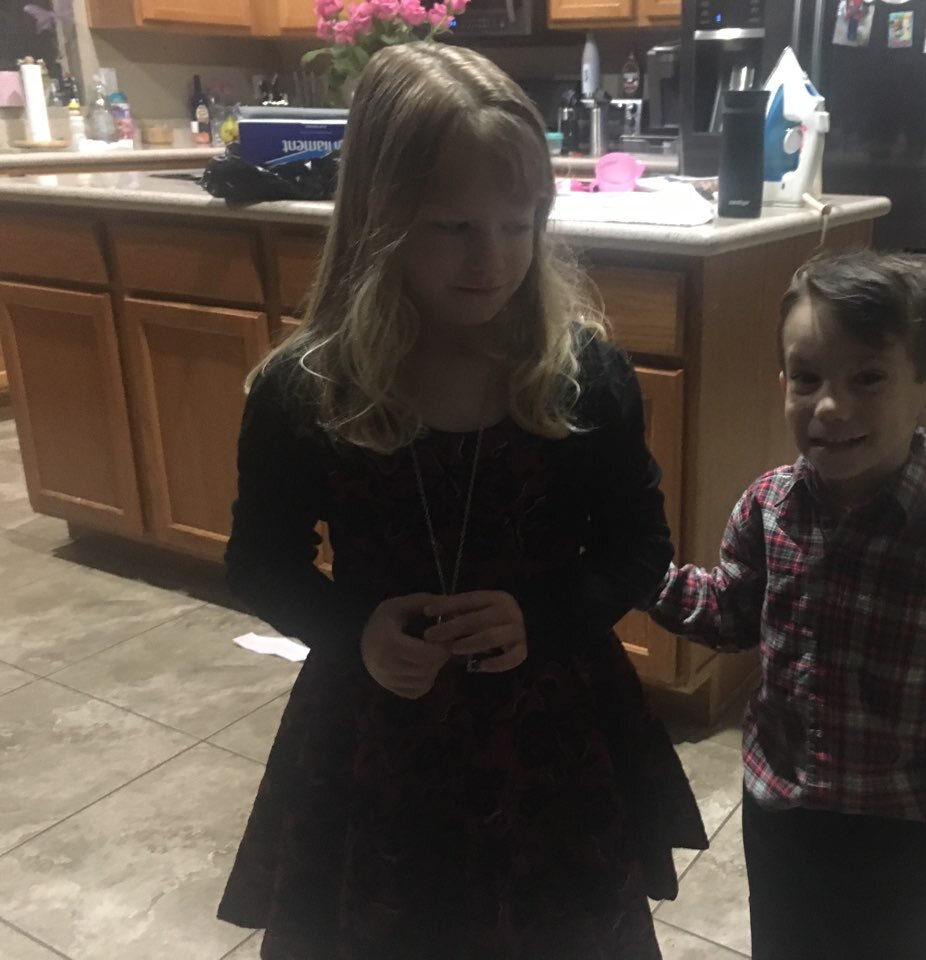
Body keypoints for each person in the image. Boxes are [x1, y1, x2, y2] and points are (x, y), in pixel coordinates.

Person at [216, 42, 707, 960]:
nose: (494, 258)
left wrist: (543, 616)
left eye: (520, 225)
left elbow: (639, 547)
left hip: (551, 737)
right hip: (374, 738)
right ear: (379, 218)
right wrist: (352, 630)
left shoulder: (581, 374)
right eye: (453, 227)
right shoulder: (307, 389)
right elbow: (258, 561)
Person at [649, 251, 926, 959]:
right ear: (783, 384)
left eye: (867, 378)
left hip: (901, 832)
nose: (830, 406)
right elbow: (732, 612)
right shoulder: (768, 507)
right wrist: (638, 577)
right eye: (807, 379)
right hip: (780, 810)